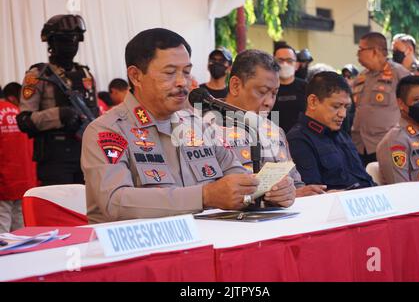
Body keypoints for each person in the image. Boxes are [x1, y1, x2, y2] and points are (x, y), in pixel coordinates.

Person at [81, 28, 295, 224]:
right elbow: (114, 202)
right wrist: (204, 196)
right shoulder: (107, 130)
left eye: (186, 72)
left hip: (207, 245)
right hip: (139, 256)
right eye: (170, 72)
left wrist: (271, 193)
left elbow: (239, 180)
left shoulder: (197, 125)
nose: (183, 82)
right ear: (136, 76)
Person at [208, 49, 327, 196]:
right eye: (262, 91)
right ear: (235, 86)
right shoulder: (204, 130)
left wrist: (300, 193)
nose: (269, 102)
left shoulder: (276, 131)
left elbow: (295, 183)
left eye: (274, 93)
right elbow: (208, 196)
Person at [16, 14, 99, 186]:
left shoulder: (85, 74)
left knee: (87, 209)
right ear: (51, 43)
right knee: (59, 209)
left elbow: (95, 113)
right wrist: (59, 115)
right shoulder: (37, 75)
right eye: (66, 39)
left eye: (76, 39)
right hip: (54, 157)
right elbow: (24, 120)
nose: (72, 44)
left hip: (86, 154)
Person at [287, 72, 376, 190]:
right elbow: (314, 193)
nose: (343, 114)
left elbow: (363, 178)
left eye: (346, 107)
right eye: (336, 106)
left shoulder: (342, 135)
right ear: (313, 101)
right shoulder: (298, 140)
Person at [352, 32, 410, 167]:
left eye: (361, 49)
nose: (357, 53)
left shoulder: (399, 74)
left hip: (387, 144)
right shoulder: (361, 77)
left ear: (375, 51)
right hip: (360, 145)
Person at [0, 88, 37, 233]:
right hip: (25, 179)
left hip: (4, 182)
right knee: (21, 231)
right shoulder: (19, 113)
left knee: (2, 229)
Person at [272, 42, 307, 134]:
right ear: (273, 63)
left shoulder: (307, 88)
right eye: (280, 61)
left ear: (297, 65)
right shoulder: (266, 89)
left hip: (301, 140)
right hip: (273, 139)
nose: (285, 64)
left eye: (289, 60)